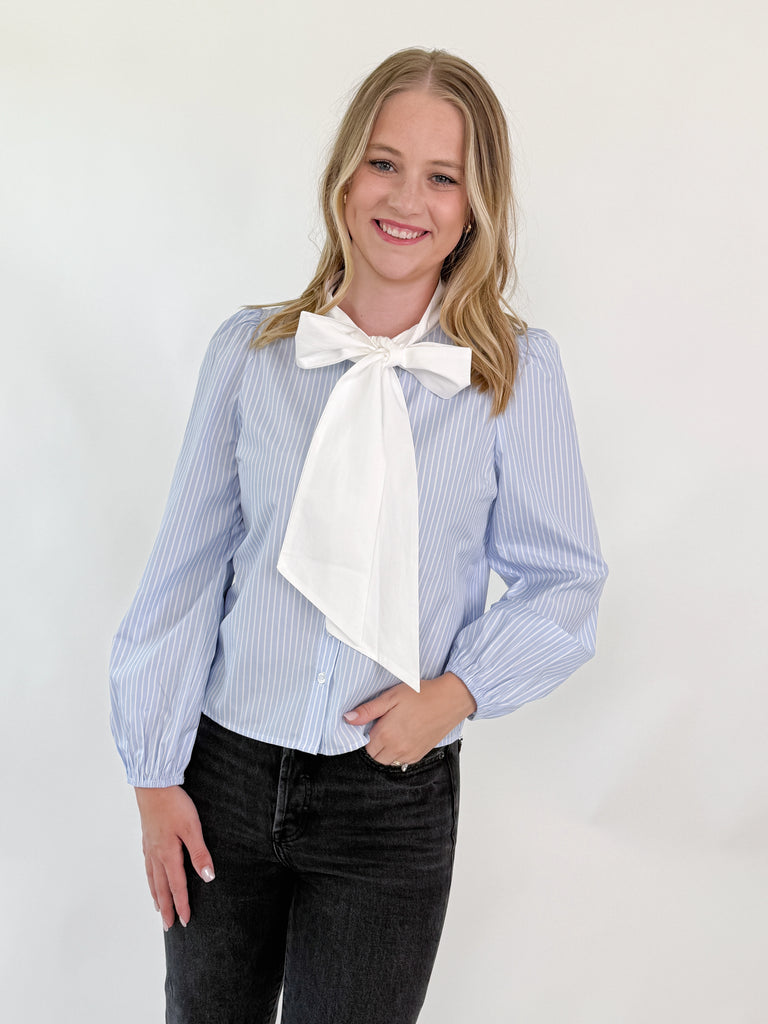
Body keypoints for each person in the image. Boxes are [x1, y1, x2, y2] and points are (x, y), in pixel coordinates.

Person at [110, 47, 608, 1024]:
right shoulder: (252, 355)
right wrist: (153, 774)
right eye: (384, 162)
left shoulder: (512, 376)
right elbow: (185, 572)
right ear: (344, 173)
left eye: (441, 176)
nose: (405, 199)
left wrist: (455, 694)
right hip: (223, 779)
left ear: (476, 205)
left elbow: (565, 581)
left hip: (392, 796)